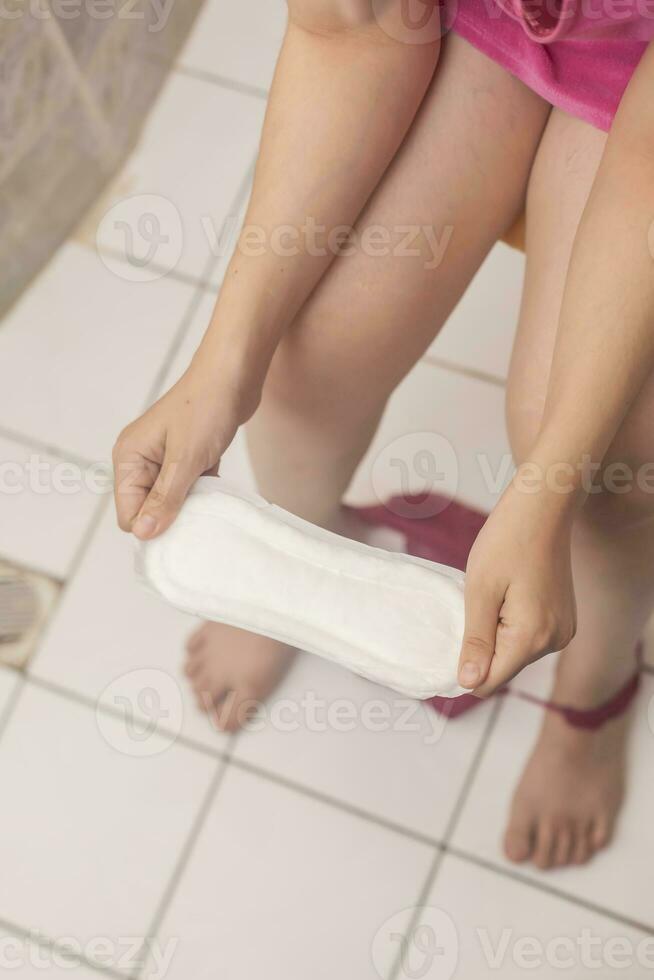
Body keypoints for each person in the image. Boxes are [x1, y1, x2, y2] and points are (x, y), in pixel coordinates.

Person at [113, 0, 654, 870]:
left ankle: (595, 689)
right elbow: (346, 26)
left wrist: (549, 483)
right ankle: (290, 563)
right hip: (482, 19)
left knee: (612, 464)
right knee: (308, 353)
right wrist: (222, 365)